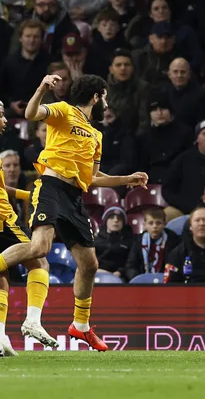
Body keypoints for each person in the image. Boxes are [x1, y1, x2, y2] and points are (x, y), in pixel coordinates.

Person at [0, 74, 148, 351]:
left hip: (75, 197)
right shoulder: (63, 111)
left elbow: (92, 177)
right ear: (96, 96)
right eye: (104, 98)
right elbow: (31, 114)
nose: (106, 104)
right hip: (51, 187)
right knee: (40, 248)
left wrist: (127, 179)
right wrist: (41, 89)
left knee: (89, 264)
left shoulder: (96, 135)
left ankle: (80, 326)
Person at [0, 101, 58, 356]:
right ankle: (33, 320)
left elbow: (2, 188)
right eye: (1, 115)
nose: (5, 120)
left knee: (2, 276)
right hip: (4, 220)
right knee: (39, 260)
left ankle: (0, 336)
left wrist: (28, 194)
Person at [125, 208, 180, 281]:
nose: (155, 226)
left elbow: (175, 265)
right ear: (145, 225)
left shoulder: (173, 240)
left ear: (164, 224)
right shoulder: (138, 241)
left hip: (166, 281)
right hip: (142, 281)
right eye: (151, 223)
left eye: (158, 223)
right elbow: (131, 265)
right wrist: (138, 279)